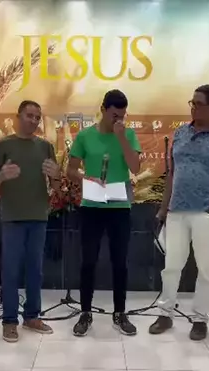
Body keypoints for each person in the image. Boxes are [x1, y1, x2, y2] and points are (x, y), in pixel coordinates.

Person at [150, 85, 209, 341]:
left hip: (207, 212)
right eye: (191, 103)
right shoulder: (181, 133)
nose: (193, 108)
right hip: (177, 211)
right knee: (171, 266)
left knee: (205, 268)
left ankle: (200, 318)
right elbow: (172, 173)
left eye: (199, 104)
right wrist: (163, 208)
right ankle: (165, 313)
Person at [67, 89, 141, 336]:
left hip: (119, 206)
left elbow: (135, 167)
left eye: (122, 116)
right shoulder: (85, 136)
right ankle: (85, 312)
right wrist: (85, 178)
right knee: (88, 261)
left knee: (120, 262)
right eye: (114, 115)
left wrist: (121, 138)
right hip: (92, 206)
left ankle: (120, 313)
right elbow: (70, 170)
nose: (118, 120)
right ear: (103, 110)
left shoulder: (128, 135)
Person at [0, 100, 60, 342]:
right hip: (12, 217)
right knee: (11, 271)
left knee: (35, 271)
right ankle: (9, 321)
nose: (34, 121)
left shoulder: (45, 146)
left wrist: (56, 175)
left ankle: (32, 316)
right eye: (29, 115)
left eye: (37, 117)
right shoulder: (3, 145)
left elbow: (56, 184)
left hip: (39, 216)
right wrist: (2, 175)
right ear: (18, 116)